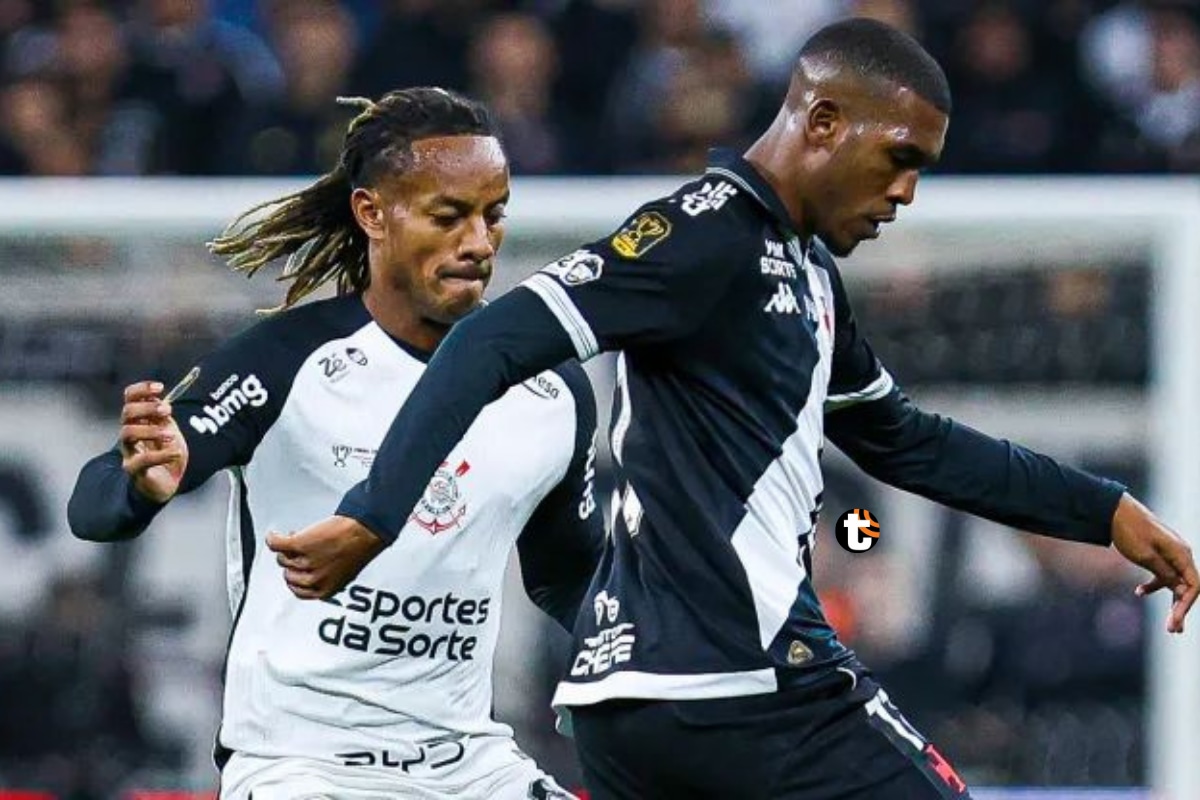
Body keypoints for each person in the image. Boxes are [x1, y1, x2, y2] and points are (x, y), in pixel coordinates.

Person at [278, 20, 1199, 800]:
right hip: (746, 684)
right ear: (825, 121)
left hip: (634, 710)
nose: (907, 193)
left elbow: (905, 442)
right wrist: (374, 512)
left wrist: (1100, 509)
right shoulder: (706, 231)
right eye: (900, 159)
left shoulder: (806, 275)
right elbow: (492, 339)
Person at [67, 87, 599, 800]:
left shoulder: (551, 388)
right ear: (372, 213)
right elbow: (93, 506)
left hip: (471, 764)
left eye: (493, 215)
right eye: (448, 216)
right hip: (300, 767)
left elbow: (564, 574)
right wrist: (139, 482)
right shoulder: (289, 360)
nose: (478, 243)